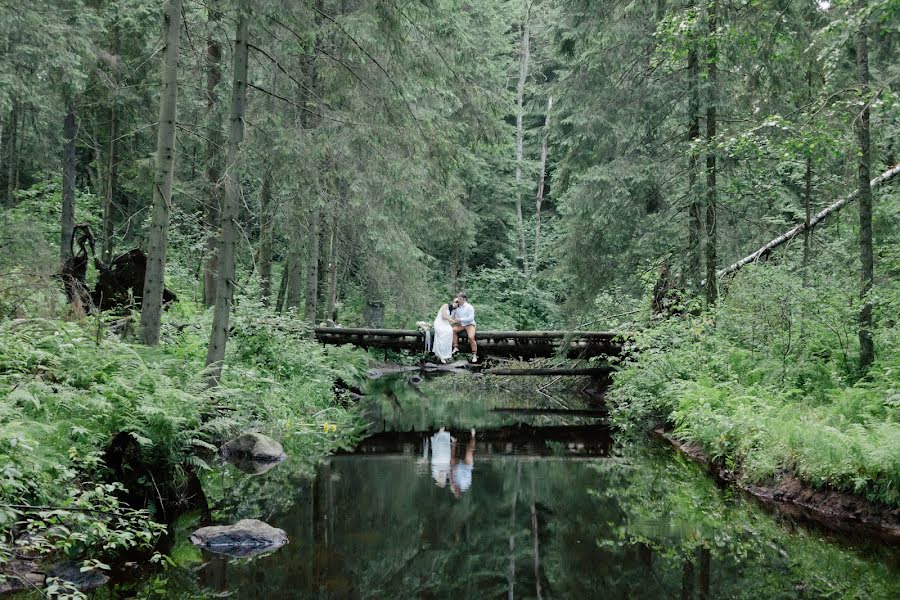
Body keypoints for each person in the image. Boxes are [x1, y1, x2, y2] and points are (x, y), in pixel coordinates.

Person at [451, 292, 477, 363]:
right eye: (458, 299)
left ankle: (474, 354)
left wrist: (461, 319)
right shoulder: (456, 307)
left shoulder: (469, 307)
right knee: (453, 330)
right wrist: (453, 307)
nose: (458, 300)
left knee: (471, 337)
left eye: (460, 299)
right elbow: (452, 316)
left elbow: (471, 318)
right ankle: (455, 347)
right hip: (461, 325)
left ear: (464, 299)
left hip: (469, 324)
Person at [450, 428, 476, 497]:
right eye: (456, 490)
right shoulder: (466, 484)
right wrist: (460, 466)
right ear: (459, 490)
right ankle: (473, 435)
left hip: (458, 466)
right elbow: (468, 472)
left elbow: (451, 473)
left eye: (455, 490)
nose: (455, 489)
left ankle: (454, 442)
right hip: (467, 465)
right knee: (470, 450)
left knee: (452, 461)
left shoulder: (453, 484)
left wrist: (454, 468)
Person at [432, 298, 459, 363]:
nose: (456, 305)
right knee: (442, 332)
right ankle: (440, 355)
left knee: (450, 331)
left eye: (457, 304)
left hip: (446, 324)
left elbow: (450, 322)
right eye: (456, 303)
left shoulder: (454, 311)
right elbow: (443, 316)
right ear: (453, 302)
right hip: (439, 322)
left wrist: (455, 321)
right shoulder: (445, 306)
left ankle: (445, 354)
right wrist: (451, 320)